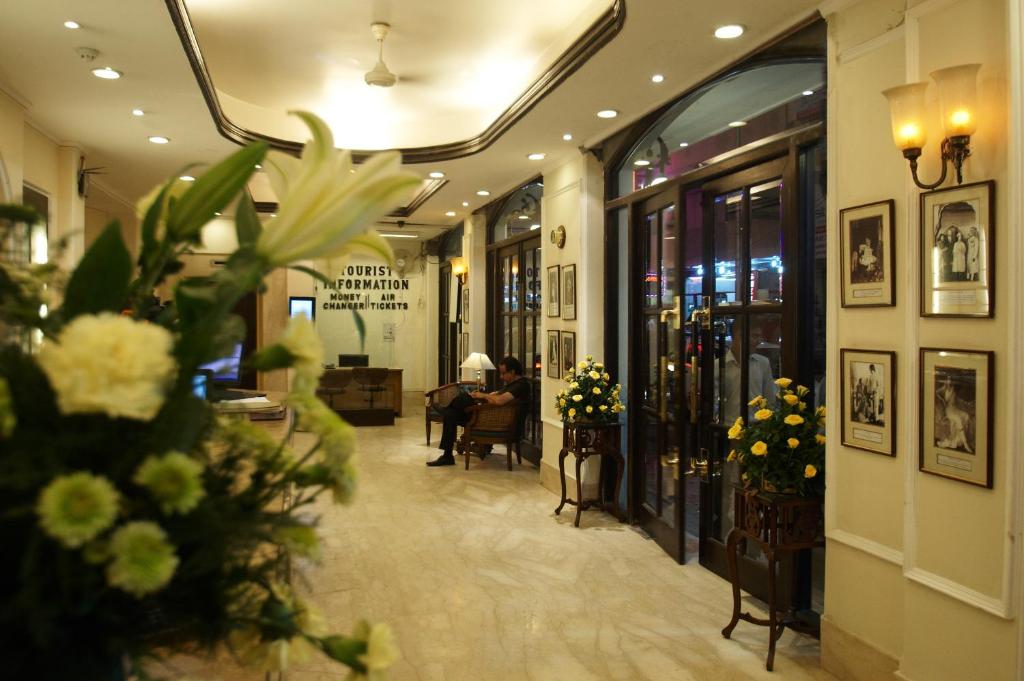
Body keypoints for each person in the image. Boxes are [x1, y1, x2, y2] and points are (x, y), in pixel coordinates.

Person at [426, 356, 531, 467]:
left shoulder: (521, 385)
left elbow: (500, 400)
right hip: (491, 417)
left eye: (503, 373)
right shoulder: (513, 384)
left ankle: (443, 409)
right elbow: (498, 394)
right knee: (450, 415)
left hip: (495, 421)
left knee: (462, 400)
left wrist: (482, 395)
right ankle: (447, 456)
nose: (501, 377)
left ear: (513, 372)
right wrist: (480, 396)